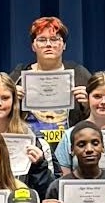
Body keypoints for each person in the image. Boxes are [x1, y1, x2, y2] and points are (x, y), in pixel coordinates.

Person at [8, 16, 94, 155]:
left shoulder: (79, 74)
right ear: (33, 46)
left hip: (70, 150)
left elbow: (102, 116)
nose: (48, 44)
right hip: (31, 150)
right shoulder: (19, 76)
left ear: (64, 45)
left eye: (54, 39)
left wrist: (88, 105)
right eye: (42, 40)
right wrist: (10, 99)